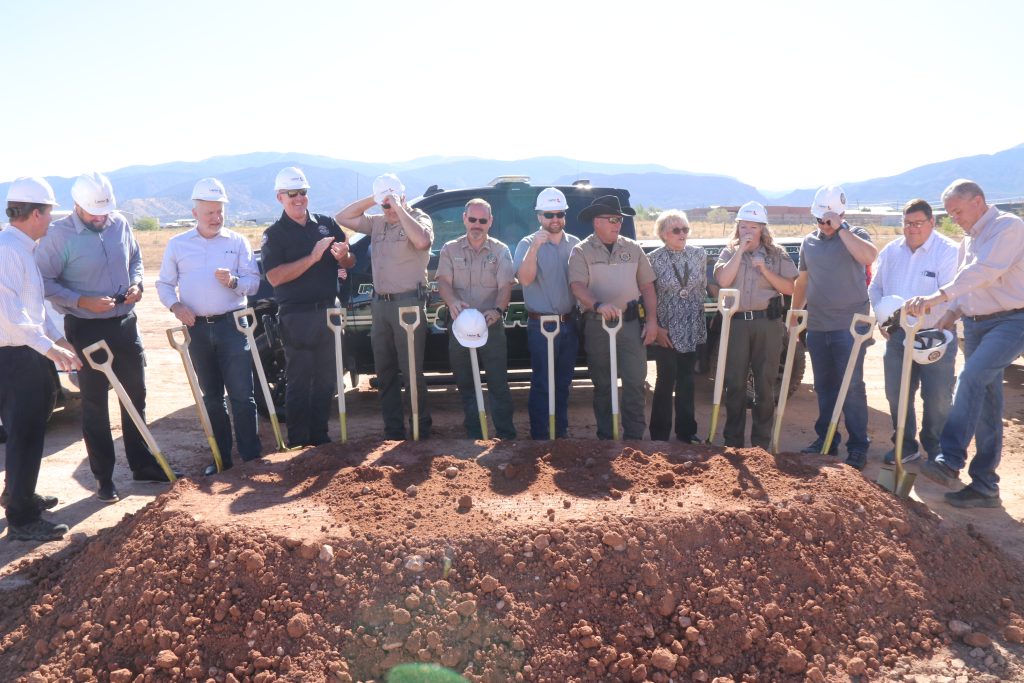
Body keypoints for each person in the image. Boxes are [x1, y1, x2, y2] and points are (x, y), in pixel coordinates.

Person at [36, 172, 174, 503]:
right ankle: (104, 479)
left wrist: (137, 284)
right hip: (85, 329)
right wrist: (82, 301)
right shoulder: (58, 236)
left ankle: (143, 466)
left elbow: (137, 260)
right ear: (77, 206)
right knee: (95, 406)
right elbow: (43, 281)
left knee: (135, 398)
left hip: (124, 324)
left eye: (105, 211)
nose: (101, 218)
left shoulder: (120, 224)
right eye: (94, 213)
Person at [906, 179, 1024, 508]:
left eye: (957, 211)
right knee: (987, 406)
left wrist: (938, 298)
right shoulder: (967, 241)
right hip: (975, 326)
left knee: (970, 377)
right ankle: (985, 485)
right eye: (950, 213)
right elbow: (968, 285)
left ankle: (949, 458)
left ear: (978, 201)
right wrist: (952, 312)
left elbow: (983, 273)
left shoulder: (1008, 228)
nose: (953, 218)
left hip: (1012, 321)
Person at [156, 178, 263, 475]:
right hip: (197, 330)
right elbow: (164, 283)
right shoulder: (178, 245)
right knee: (212, 397)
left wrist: (233, 282)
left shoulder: (238, 242)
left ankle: (251, 458)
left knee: (243, 394)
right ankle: (222, 460)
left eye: (220, 212)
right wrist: (176, 306)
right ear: (195, 214)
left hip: (233, 326)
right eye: (209, 213)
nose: (216, 218)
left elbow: (253, 283)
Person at [1, 178, 81, 541]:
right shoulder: (8, 251)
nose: (51, 221)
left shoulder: (22, 248)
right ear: (35, 213)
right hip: (15, 355)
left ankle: (19, 491)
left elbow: (34, 309)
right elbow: (11, 317)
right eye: (49, 213)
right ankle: (21, 517)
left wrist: (60, 339)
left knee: (30, 426)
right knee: (25, 433)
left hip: (26, 351)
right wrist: (49, 349)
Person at [260, 166, 355, 448]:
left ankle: (320, 438)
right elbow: (275, 276)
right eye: (292, 193)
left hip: (328, 312)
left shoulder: (325, 224)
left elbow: (350, 261)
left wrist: (344, 255)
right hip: (296, 316)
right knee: (299, 381)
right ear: (280, 197)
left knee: (326, 380)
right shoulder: (274, 234)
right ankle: (299, 441)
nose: (299, 198)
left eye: (302, 192)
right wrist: (313, 257)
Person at [336, 174, 433, 439]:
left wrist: (400, 208)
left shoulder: (418, 217)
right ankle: (393, 429)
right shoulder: (377, 223)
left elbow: (423, 241)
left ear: (403, 196)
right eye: (385, 205)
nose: (388, 209)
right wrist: (376, 198)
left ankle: (420, 427)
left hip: (408, 305)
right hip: (381, 306)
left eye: (393, 202)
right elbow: (342, 218)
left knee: (412, 371)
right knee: (385, 371)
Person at [791, 185, 878, 470]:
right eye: (820, 221)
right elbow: (802, 281)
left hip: (849, 328)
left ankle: (857, 446)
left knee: (852, 387)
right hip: (817, 326)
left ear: (841, 216)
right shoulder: (809, 243)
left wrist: (841, 229)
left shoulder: (856, 236)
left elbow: (868, 257)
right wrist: (794, 311)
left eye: (829, 220)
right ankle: (826, 440)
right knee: (824, 387)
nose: (823, 226)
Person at [868, 198, 959, 465]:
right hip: (898, 336)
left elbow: (952, 295)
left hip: (935, 336)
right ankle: (906, 445)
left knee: (938, 397)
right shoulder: (891, 252)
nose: (912, 228)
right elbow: (875, 288)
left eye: (918, 223)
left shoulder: (948, 252)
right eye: (907, 223)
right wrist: (884, 319)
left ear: (932, 222)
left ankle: (935, 447)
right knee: (897, 393)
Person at [568, 195, 657, 440]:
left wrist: (651, 320)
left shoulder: (632, 248)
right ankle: (606, 439)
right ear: (597, 222)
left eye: (619, 219)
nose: (617, 224)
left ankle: (634, 439)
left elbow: (647, 287)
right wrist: (597, 305)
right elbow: (577, 286)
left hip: (630, 325)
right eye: (612, 219)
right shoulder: (581, 250)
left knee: (635, 383)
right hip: (598, 326)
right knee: (604, 385)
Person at [714, 202, 798, 448]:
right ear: (737, 228)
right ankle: (734, 441)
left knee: (765, 383)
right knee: (735, 383)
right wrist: (740, 253)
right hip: (737, 324)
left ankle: (761, 443)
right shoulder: (729, 252)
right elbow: (722, 281)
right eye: (743, 227)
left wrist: (764, 269)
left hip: (767, 324)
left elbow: (789, 288)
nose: (747, 231)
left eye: (753, 226)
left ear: (762, 228)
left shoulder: (776, 254)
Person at [436, 199, 516, 439]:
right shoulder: (449, 249)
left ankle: (506, 435)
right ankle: (475, 433)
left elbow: (505, 287)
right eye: (473, 219)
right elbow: (444, 283)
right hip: (460, 327)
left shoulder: (501, 251)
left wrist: (498, 310)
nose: (477, 225)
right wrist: (452, 302)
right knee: (466, 383)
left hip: (490, 325)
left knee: (498, 383)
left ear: (490, 221)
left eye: (483, 220)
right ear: (464, 219)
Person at [513, 188, 581, 439]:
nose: (555, 219)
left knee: (563, 382)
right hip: (541, 325)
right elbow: (525, 280)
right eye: (549, 214)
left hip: (569, 323)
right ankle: (541, 435)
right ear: (539, 216)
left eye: (559, 214)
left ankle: (560, 433)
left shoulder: (575, 244)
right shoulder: (527, 243)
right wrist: (535, 249)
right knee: (542, 382)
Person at [647, 210, 707, 442]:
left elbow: (702, 287)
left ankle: (687, 432)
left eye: (685, 229)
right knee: (665, 381)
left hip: (691, 326)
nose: (682, 234)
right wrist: (656, 327)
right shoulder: (653, 259)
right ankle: (659, 435)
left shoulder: (698, 255)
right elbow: (647, 294)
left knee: (687, 380)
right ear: (663, 234)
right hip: (667, 329)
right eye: (676, 230)